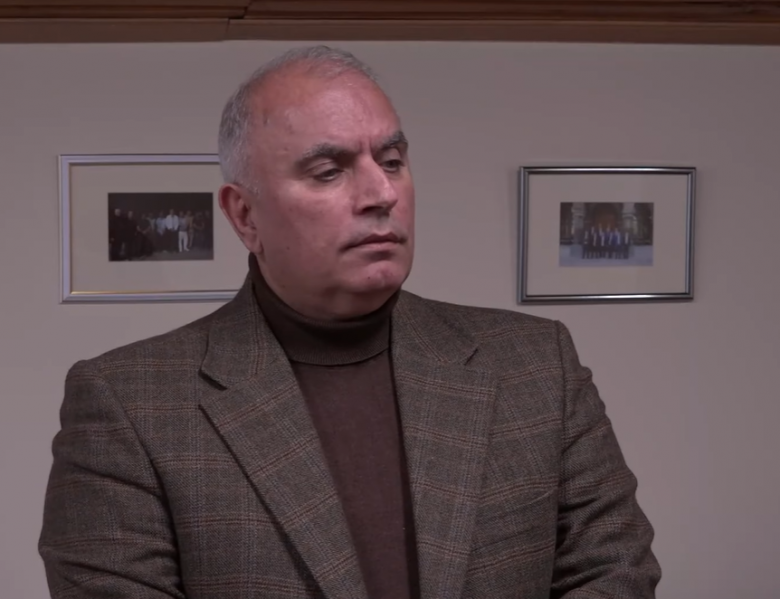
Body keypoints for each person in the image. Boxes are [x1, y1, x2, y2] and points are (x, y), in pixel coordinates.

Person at [39, 46, 661, 599]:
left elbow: (615, 571)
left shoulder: (536, 361)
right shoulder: (128, 402)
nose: (380, 193)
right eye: (329, 171)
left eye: (391, 160)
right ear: (245, 216)